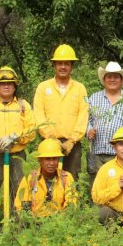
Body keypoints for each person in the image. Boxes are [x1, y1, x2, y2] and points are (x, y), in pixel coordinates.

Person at [0, 66, 35, 209]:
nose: (6, 86)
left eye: (10, 83)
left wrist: (15, 137)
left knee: (20, 190)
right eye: (3, 83)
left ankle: (19, 224)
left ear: (15, 86)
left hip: (17, 155)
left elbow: (32, 129)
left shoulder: (23, 106)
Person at [33, 44, 89, 181]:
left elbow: (83, 115)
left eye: (67, 64)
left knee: (70, 179)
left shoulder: (80, 89)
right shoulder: (43, 87)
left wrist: (72, 140)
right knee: (47, 179)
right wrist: (51, 137)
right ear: (54, 65)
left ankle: (70, 203)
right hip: (49, 142)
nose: (63, 67)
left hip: (72, 145)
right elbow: (39, 114)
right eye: (59, 63)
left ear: (72, 66)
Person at [87, 62, 123, 180]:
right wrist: (89, 131)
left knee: (118, 187)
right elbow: (87, 120)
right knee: (97, 188)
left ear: (121, 80)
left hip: (120, 155)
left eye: (116, 76)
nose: (112, 79)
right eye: (109, 76)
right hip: (97, 152)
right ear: (104, 80)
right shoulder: (94, 98)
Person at [15, 138, 78, 216]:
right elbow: (21, 206)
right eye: (47, 159)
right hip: (34, 223)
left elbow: (71, 204)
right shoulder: (30, 178)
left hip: (60, 223)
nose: (51, 163)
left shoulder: (66, 177)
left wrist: (61, 221)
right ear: (40, 160)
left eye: (54, 159)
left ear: (58, 160)